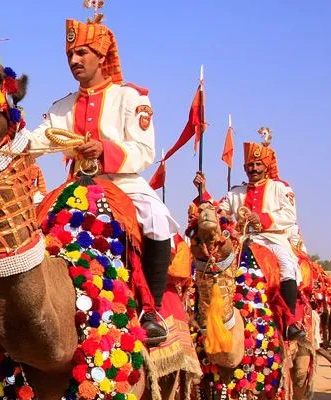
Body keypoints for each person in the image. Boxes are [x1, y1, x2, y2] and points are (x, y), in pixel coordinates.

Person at [24, 12, 179, 345]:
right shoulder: (62, 107)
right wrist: (7, 137)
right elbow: (40, 139)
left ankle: (151, 311)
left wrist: (104, 149)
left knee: (156, 217)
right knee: (36, 222)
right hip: (77, 183)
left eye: (82, 53)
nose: (74, 60)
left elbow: (144, 150)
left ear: (101, 55)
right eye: (70, 54)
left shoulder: (130, 98)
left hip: (121, 181)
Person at [193, 137, 303, 339]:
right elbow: (219, 212)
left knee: (287, 266)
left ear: (266, 166)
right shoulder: (236, 193)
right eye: (250, 165)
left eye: (258, 164)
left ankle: (290, 323)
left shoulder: (280, 188)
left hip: (272, 239)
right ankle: (202, 314)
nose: (254, 169)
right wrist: (203, 191)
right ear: (244, 168)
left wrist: (262, 218)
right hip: (243, 239)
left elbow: (289, 215)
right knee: (211, 265)